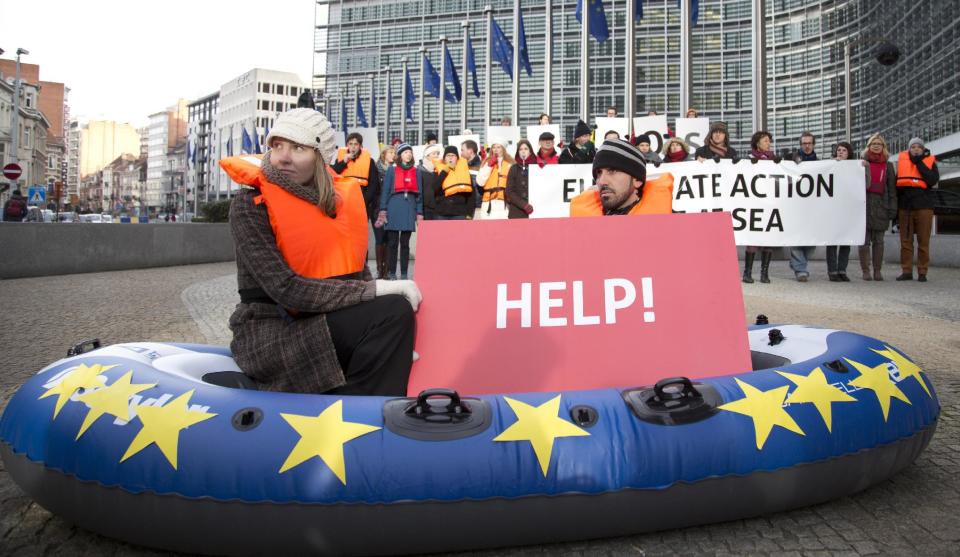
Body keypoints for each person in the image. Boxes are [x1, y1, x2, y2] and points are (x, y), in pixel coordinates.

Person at [220, 108, 421, 396]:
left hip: (326, 321)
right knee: (391, 312)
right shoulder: (250, 203)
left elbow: (357, 275)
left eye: (298, 147)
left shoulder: (339, 203)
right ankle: (362, 422)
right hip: (272, 331)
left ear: (319, 157)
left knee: (398, 316)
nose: (283, 157)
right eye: (277, 145)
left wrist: (390, 343)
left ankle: (366, 409)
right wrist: (377, 290)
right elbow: (285, 289)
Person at [569, 139, 674, 217]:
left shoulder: (676, 225)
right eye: (599, 173)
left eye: (612, 171)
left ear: (637, 180)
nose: (601, 181)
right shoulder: (579, 225)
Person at [332, 132, 384, 277]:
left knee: (360, 237)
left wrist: (363, 200)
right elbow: (332, 173)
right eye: (350, 144)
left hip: (361, 204)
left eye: (356, 144)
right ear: (347, 145)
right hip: (343, 204)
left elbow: (373, 185)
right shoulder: (341, 159)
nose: (353, 147)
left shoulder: (369, 161)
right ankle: (345, 269)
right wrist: (344, 161)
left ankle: (363, 269)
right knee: (344, 236)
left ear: (361, 146)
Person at [853, 136, 897, 282]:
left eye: (879, 144)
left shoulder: (888, 166)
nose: (876, 146)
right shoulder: (861, 163)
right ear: (868, 146)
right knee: (864, 241)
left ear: (883, 146)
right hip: (864, 205)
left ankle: (877, 270)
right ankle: (866, 271)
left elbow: (892, 190)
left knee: (879, 240)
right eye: (873, 144)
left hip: (881, 205)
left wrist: (892, 208)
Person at [895, 137, 939, 282]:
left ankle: (922, 272)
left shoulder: (929, 162)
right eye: (913, 147)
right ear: (909, 149)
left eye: (918, 147)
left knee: (923, 241)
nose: (915, 149)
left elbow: (932, 180)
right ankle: (906, 271)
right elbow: (897, 186)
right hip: (905, 207)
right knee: (905, 242)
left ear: (923, 149)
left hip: (924, 207)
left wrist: (919, 162)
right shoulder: (902, 163)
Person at [378, 143, 423, 280]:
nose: (408, 154)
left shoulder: (417, 171)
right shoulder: (392, 170)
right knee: (392, 243)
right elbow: (385, 191)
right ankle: (392, 272)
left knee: (405, 243)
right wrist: (383, 209)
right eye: (405, 152)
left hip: (409, 208)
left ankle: (404, 273)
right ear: (400, 155)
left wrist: (419, 213)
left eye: (410, 152)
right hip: (393, 208)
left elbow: (419, 194)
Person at [741, 131, 777, 284]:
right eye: (765, 141)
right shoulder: (749, 159)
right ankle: (747, 273)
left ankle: (764, 272)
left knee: (768, 237)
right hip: (754, 202)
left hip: (769, 203)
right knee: (752, 238)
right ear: (757, 143)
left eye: (769, 141)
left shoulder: (774, 159)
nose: (768, 143)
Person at [787, 132, 818, 281]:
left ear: (813, 144)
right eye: (804, 143)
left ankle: (796, 263)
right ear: (800, 145)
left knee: (811, 243)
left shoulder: (819, 162)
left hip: (812, 207)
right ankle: (800, 269)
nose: (806, 146)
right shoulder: (791, 158)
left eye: (809, 143)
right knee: (796, 238)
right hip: (795, 206)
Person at [431, 146, 475, 220]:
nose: (450, 158)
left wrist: (469, 213)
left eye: (453, 155)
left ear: (457, 158)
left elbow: (471, 195)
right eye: (448, 155)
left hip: (459, 213)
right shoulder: (438, 172)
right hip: (441, 213)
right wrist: (444, 172)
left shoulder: (464, 172)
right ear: (444, 158)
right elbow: (434, 188)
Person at [476, 142, 514, 219]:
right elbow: (480, 182)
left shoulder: (511, 164)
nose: (496, 150)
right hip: (488, 203)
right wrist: (489, 166)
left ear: (503, 149)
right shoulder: (486, 163)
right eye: (494, 147)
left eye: (498, 147)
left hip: (504, 204)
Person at [506, 139, 536, 219]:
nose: (523, 151)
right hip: (516, 211)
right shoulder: (513, 168)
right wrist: (524, 205)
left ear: (530, 151)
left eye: (526, 149)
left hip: (535, 211)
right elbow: (509, 191)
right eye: (520, 149)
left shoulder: (537, 167)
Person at [419, 144, 444, 220]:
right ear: (427, 155)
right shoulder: (419, 170)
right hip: (425, 208)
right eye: (434, 153)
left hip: (439, 206)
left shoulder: (440, 170)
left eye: (438, 154)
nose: (436, 156)